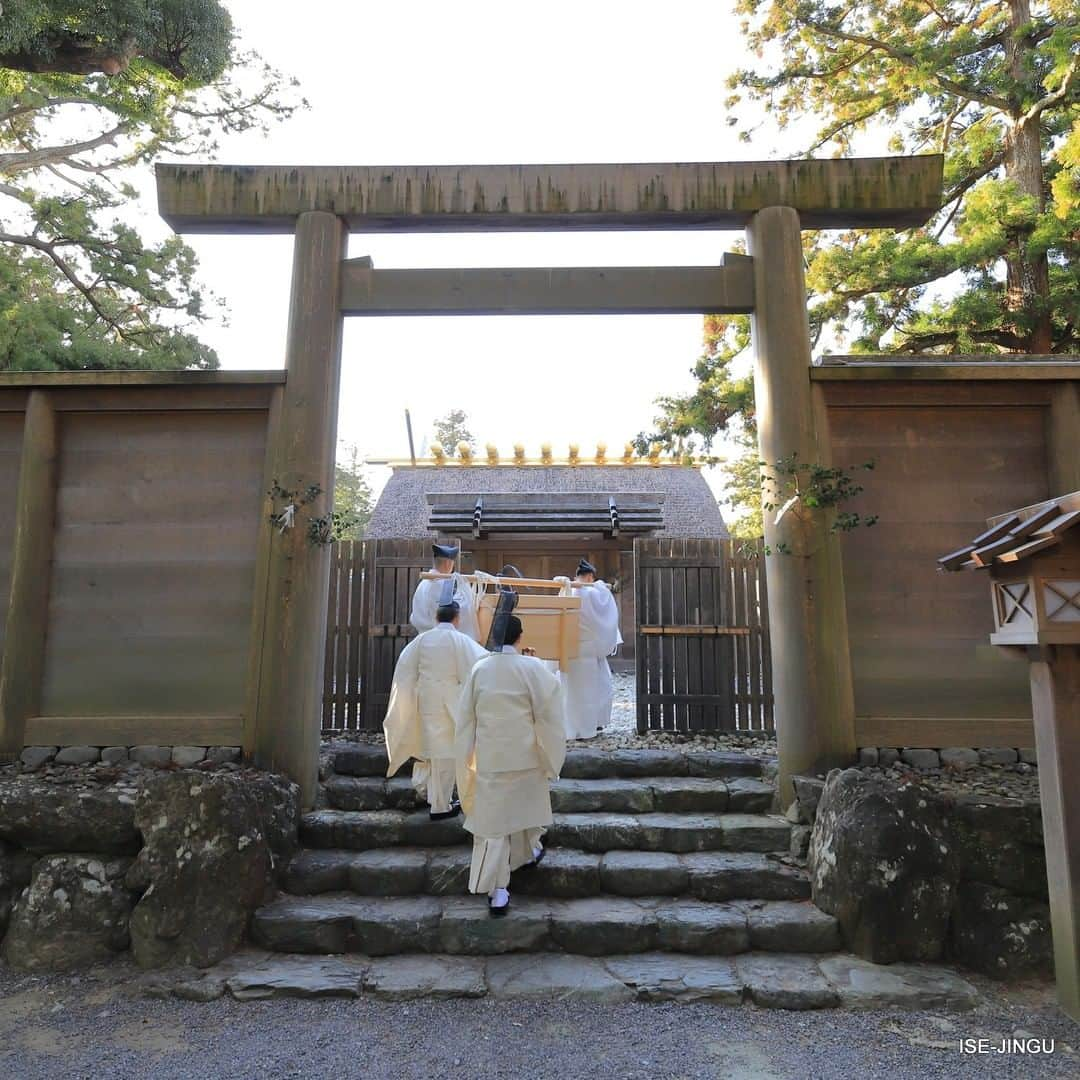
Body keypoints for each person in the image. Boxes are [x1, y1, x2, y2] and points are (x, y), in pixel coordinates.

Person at [454, 614, 566, 917]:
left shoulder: (479, 669)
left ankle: (498, 889)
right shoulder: (532, 668)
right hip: (525, 756)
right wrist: (551, 754)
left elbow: (465, 719)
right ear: (519, 637)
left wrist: (465, 758)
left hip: (492, 759)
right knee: (525, 811)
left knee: (493, 825)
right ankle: (529, 852)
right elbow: (551, 710)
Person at [384, 601, 488, 819]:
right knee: (446, 754)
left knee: (432, 752)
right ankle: (441, 806)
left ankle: (434, 797)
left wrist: (407, 699)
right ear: (457, 618)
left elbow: (405, 670)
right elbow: (482, 663)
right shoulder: (460, 640)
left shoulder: (421, 641)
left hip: (426, 701)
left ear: (436, 618)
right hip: (451, 702)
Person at [561, 558, 622, 740]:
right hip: (587, 649)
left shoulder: (565, 590)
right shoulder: (593, 593)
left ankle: (570, 727)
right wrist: (602, 587)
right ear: (588, 577)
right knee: (593, 690)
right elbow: (605, 611)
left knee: (571, 691)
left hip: (568, 647)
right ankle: (590, 727)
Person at [410, 543, 481, 641]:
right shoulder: (441, 585)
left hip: (422, 638)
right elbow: (456, 612)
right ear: (448, 563)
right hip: (439, 639)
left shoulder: (422, 584)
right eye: (452, 563)